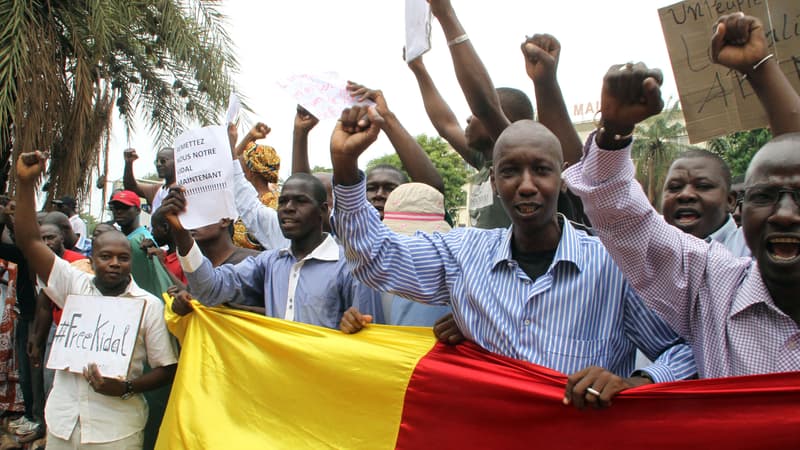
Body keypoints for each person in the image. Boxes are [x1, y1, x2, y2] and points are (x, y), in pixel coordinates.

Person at [331, 105, 696, 410]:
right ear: (493, 181)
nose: (525, 185)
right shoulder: (463, 255)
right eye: (510, 171)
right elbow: (376, 257)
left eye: (540, 170)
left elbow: (687, 350)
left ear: (562, 178)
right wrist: (345, 167)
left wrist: (636, 382)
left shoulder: (612, 268)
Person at [563, 13, 800, 377]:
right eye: (766, 196)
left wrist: (761, 69)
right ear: (745, 207)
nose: (784, 214)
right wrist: (614, 132)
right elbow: (623, 219)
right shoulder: (710, 286)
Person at [14, 150, 177, 449]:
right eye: (106, 257)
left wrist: (127, 387)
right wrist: (25, 185)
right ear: (91, 259)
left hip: (116, 431)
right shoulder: (72, 285)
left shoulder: (148, 305)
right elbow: (29, 241)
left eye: (123, 258)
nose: (115, 263)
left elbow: (166, 368)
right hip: (63, 424)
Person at [161, 173, 381, 329]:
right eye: (283, 201)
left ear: (322, 211)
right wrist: (181, 233)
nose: (288, 208)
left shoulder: (350, 266)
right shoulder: (268, 263)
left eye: (301, 201)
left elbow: (371, 334)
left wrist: (354, 325)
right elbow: (209, 290)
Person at [339, 183, 452, 332]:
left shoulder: (457, 280)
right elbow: (360, 320)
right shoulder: (370, 270)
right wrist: (352, 324)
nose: (413, 249)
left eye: (421, 244)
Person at [661, 148, 749, 256]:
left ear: (729, 201)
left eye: (703, 186)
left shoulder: (754, 247)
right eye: (675, 187)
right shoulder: (649, 248)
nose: (685, 195)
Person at [108, 190, 173, 299]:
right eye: (115, 208)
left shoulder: (140, 241)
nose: (119, 211)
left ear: (138, 210)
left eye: (124, 207)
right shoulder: (123, 238)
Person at [123, 147, 176, 213]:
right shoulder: (157, 190)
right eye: (156, 161)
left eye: (163, 161)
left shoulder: (186, 189)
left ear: (176, 162)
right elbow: (131, 187)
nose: (158, 164)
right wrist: (128, 163)